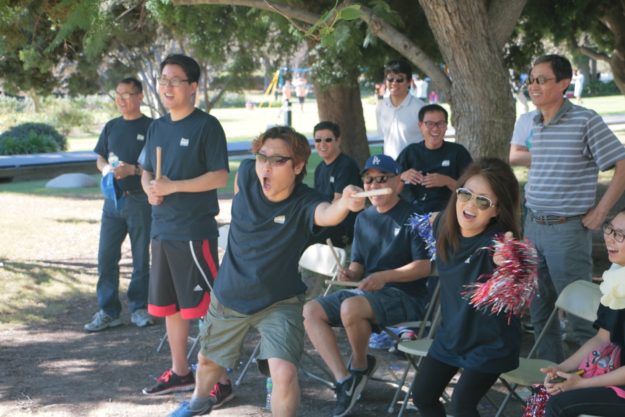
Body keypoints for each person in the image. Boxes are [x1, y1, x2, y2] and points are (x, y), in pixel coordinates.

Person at [166, 126, 365, 417]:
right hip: (231, 293)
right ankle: (197, 401)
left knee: (284, 373)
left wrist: (345, 202)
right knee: (208, 363)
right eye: (262, 157)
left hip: (280, 301)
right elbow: (244, 191)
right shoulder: (247, 173)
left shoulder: (305, 201)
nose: (266, 167)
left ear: (298, 167)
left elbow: (327, 213)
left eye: (278, 160)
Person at [508, 54, 625, 363]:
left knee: (580, 317)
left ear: (564, 83)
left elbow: (622, 164)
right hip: (533, 226)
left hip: (567, 232)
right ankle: (547, 380)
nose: (534, 86)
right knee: (539, 311)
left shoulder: (585, 120)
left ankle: (585, 381)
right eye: (531, 80)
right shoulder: (535, 122)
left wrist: (601, 212)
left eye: (542, 80)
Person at [303, 154, 431, 417]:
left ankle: (359, 367)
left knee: (351, 307)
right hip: (368, 293)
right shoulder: (363, 218)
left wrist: (385, 276)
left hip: (406, 296)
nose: (374, 185)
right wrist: (350, 273)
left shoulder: (414, 215)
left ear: (398, 182)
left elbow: (424, 267)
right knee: (310, 310)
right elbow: (359, 263)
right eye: (369, 180)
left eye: (382, 179)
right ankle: (344, 380)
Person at [140, 54, 231, 400]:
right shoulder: (157, 126)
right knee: (172, 307)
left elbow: (219, 176)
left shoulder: (207, 126)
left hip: (193, 232)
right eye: (163, 79)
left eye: (175, 80)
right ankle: (180, 372)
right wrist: (151, 188)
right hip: (162, 230)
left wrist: (173, 186)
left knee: (207, 309)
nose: (167, 86)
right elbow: (147, 170)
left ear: (193, 87)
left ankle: (221, 380)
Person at [411, 158, 523, 417]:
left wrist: (508, 263)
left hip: (490, 343)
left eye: (483, 201)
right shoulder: (442, 224)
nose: (470, 205)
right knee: (423, 396)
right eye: (465, 194)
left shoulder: (498, 244)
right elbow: (418, 218)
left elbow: (517, 271)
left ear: (496, 210)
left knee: (461, 405)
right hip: (452, 336)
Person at [540, 209, 625, 417]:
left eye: (620, 235)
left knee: (559, 405)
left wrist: (581, 384)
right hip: (613, 374)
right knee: (544, 393)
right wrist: (562, 368)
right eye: (610, 229)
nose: (610, 238)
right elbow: (602, 339)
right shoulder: (617, 279)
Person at [84, 77, 153, 332]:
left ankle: (139, 308)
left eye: (127, 94)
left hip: (140, 200)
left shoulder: (152, 127)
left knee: (140, 258)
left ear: (140, 96)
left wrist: (132, 170)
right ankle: (108, 311)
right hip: (113, 201)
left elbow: (160, 165)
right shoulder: (111, 126)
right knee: (106, 257)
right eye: (118, 94)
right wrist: (107, 170)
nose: (121, 99)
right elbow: (100, 157)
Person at [397, 104, 472, 214]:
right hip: (414, 213)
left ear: (446, 126)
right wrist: (402, 177)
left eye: (440, 123)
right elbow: (392, 191)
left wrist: (446, 181)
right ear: (420, 126)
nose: (435, 128)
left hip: (449, 213)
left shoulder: (458, 152)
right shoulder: (410, 152)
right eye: (429, 124)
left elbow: (470, 194)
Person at [312, 121, 362, 248]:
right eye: (318, 140)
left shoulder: (346, 166)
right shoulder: (319, 169)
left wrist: (320, 218)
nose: (322, 144)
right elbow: (315, 200)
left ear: (338, 141)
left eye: (328, 140)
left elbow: (338, 202)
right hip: (325, 218)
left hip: (343, 225)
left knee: (308, 240)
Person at [376, 59, 425, 159]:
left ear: (409, 82)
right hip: (390, 166)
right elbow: (383, 135)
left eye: (399, 79)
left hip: (415, 166)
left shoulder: (421, 108)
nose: (394, 83)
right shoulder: (380, 106)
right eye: (390, 79)